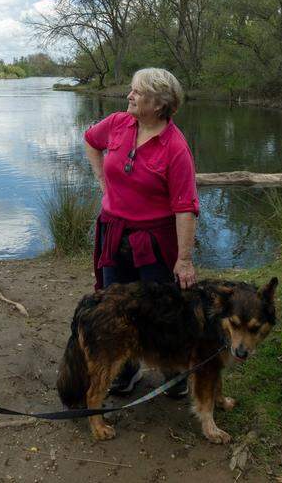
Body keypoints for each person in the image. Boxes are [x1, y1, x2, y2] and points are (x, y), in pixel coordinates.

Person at [83, 67, 199, 396]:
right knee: (115, 307)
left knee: (161, 312)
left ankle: (173, 374)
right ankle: (125, 371)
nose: (129, 96)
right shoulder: (119, 123)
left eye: (138, 92)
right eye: (131, 90)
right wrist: (102, 182)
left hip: (154, 241)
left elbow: (185, 207)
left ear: (160, 104)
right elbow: (91, 141)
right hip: (114, 234)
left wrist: (185, 259)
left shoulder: (175, 148)